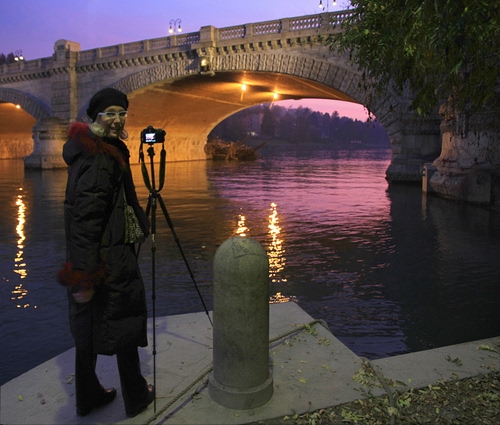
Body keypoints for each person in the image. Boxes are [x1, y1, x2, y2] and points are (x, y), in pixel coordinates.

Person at [58, 87, 154, 418]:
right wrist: (85, 277)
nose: (117, 120)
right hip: (106, 256)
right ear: (96, 117)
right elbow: (86, 219)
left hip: (90, 256)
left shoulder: (90, 150)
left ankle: (88, 396)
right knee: (122, 320)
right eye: (110, 114)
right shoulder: (100, 158)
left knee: (88, 326)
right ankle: (136, 397)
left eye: (121, 113)